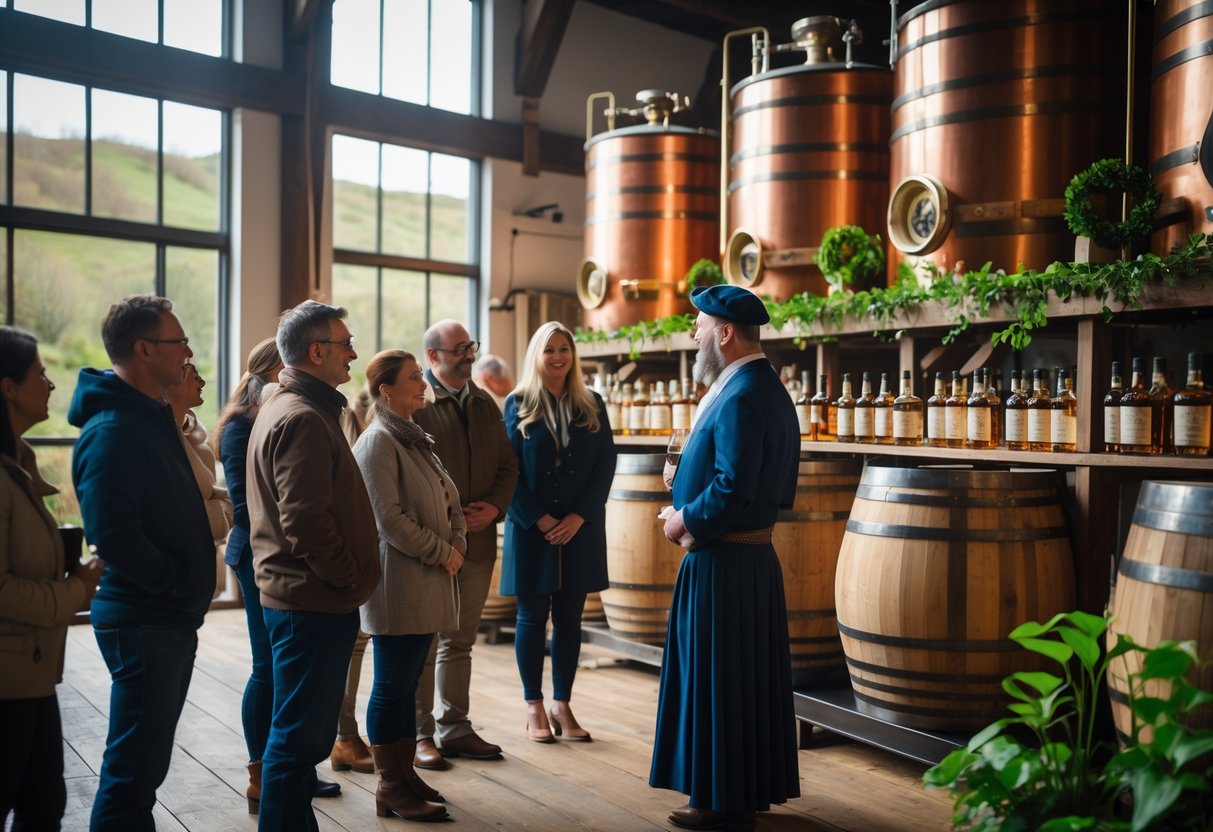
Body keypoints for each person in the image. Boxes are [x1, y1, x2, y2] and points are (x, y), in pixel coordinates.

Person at [649, 284, 801, 830]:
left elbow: (734, 487)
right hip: (748, 561)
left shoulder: (740, 394)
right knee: (737, 681)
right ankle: (736, 790)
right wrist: (683, 478)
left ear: (725, 332)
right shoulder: (762, 386)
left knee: (716, 681)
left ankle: (718, 802)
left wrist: (681, 518)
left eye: (699, 324)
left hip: (724, 564)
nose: (694, 334)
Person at [68, 294, 216, 831]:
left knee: (145, 768)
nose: (188, 352)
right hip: (145, 617)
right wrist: (176, 584)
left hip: (165, 615)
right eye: (179, 342)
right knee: (133, 771)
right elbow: (115, 535)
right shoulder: (114, 429)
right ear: (144, 348)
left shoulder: (148, 418)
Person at [246, 300, 381, 832]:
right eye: (345, 343)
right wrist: (349, 577)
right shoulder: (302, 416)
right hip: (313, 601)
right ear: (316, 350)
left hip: (306, 598)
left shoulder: (295, 406)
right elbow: (305, 522)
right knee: (296, 742)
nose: (352, 352)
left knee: (297, 737)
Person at [354, 350, 464, 822]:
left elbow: (446, 500)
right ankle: (390, 784)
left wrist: (458, 536)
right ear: (386, 390)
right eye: (414, 378)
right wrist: (445, 552)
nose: (424, 383)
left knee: (405, 685)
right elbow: (388, 521)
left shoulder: (415, 438)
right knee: (392, 686)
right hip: (399, 583)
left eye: (422, 375)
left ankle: (404, 775)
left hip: (426, 580)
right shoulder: (378, 442)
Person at [0, 326, 103, 830]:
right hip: (8, 676)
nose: (51, 383)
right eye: (40, 374)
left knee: (44, 802)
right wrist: (74, 591)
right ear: (8, 387)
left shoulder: (19, 461)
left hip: (31, 672)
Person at [501, 321, 617, 743]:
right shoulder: (516, 403)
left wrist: (579, 517)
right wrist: (539, 519)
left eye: (564, 349)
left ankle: (562, 702)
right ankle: (533, 704)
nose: (558, 357)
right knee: (531, 617)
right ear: (537, 355)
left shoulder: (593, 404)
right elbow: (506, 471)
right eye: (549, 349)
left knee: (570, 619)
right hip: (532, 530)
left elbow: (606, 463)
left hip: (580, 530)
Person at [411, 319, 518, 768]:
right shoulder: (413, 406)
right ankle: (419, 735)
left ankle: (455, 727)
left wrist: (495, 507)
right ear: (433, 357)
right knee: (424, 643)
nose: (469, 355)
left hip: (479, 541)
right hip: (433, 546)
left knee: (461, 640)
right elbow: (407, 477)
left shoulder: (485, 405)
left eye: (470, 346)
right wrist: (444, 526)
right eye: (458, 349)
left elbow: (508, 467)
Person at [167, 362, 233, 546]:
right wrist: (224, 512)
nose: (203, 383)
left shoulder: (195, 441)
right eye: (195, 377)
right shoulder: (163, 440)